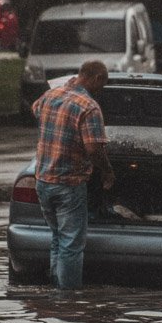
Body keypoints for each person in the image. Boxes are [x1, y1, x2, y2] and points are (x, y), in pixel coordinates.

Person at [30, 60, 115, 290]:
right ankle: (69, 300)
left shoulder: (50, 95)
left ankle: (57, 293)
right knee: (71, 245)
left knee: (58, 239)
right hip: (69, 183)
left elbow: (35, 109)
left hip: (43, 181)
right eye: (102, 85)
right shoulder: (89, 107)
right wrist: (107, 172)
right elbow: (94, 148)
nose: (101, 91)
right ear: (96, 78)